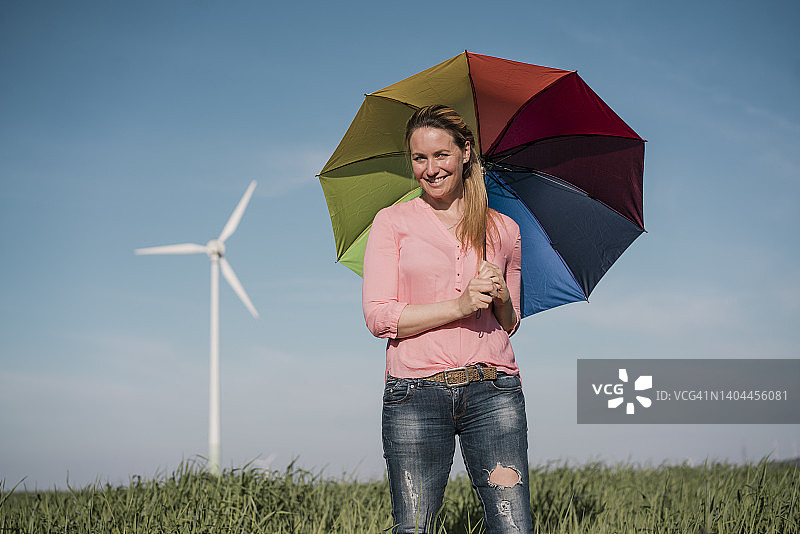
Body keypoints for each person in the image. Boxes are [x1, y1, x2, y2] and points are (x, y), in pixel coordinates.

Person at [362, 105, 533, 533]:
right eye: (420, 158)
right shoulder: (392, 222)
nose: (430, 168)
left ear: (466, 153)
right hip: (414, 393)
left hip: (493, 391)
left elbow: (511, 321)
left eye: (441, 155)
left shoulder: (504, 230)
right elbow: (379, 316)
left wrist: (499, 296)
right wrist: (458, 307)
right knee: (413, 526)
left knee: (513, 526)